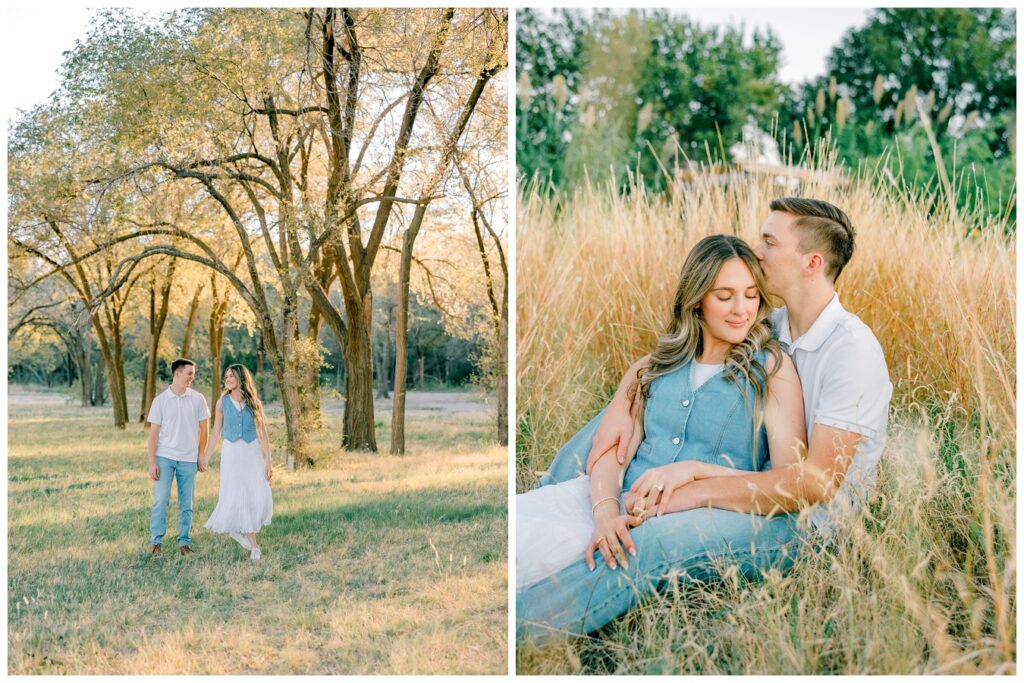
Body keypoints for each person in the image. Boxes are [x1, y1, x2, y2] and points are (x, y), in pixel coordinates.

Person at [521, 197, 892, 641]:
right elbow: (689, 352)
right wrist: (628, 393)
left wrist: (692, 484)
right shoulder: (772, 322)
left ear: (811, 263)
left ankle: (526, 630)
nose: (756, 251)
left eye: (770, 242)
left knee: (652, 543)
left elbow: (814, 484)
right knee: (618, 419)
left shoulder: (851, 351)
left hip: (804, 522)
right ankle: (560, 498)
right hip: (742, 487)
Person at [517, 234, 806, 637]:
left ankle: (520, 636)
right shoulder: (653, 366)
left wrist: (695, 471)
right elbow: (611, 454)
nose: (742, 310)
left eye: (751, 295)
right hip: (611, 503)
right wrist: (605, 513)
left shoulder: (771, 370)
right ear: (697, 298)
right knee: (514, 528)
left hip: (684, 521)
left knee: (539, 558)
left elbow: (791, 482)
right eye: (725, 296)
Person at [203, 364, 273, 560]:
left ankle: (240, 531)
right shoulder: (222, 402)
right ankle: (254, 545)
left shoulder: (254, 402)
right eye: (226, 376)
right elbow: (216, 432)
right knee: (237, 493)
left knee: (257, 494)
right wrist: (205, 458)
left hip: (251, 453)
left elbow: (263, 433)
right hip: (232, 453)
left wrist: (268, 461)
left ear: (241, 378)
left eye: (231, 376)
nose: (227, 379)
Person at [147, 358, 210, 557]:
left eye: (193, 373)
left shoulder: (198, 399)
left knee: (187, 504)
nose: (193, 377)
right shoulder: (161, 401)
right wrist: (152, 462)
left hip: (189, 459)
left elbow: (205, 429)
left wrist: (201, 455)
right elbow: (153, 434)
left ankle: (184, 542)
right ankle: (156, 542)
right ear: (177, 374)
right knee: (161, 500)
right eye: (189, 373)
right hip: (164, 457)